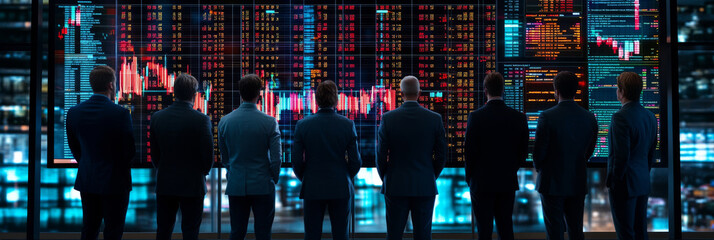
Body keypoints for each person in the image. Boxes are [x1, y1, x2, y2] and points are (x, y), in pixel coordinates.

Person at [66, 65, 136, 240]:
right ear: (111, 85)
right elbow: (129, 151)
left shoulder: (74, 113)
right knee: (113, 231)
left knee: (89, 229)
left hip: (88, 179)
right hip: (116, 182)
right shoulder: (121, 114)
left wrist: (88, 163)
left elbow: (74, 148)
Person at [377, 76, 447, 240]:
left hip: (395, 185)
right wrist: (429, 175)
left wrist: (387, 177)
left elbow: (380, 156)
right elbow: (441, 156)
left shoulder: (388, 119)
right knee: (423, 236)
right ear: (419, 93)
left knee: (394, 235)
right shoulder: (434, 119)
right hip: (424, 185)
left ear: (401, 93)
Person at [292, 80, 362, 240]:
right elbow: (355, 162)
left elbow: (296, 161)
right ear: (336, 100)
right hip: (340, 186)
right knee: (341, 235)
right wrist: (344, 175)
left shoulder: (302, 125)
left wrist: (307, 177)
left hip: (312, 186)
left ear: (316, 100)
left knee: (311, 235)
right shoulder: (347, 124)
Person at [533, 71, 598, 240]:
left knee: (554, 232)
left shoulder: (546, 116)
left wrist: (541, 168)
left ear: (556, 91)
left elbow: (539, 152)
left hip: (551, 183)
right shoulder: (589, 117)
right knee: (576, 230)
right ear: (576, 91)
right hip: (577, 180)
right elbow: (590, 149)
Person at [464, 72, 528, 240]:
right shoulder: (519, 118)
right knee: (506, 227)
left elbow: (469, 152)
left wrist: (470, 177)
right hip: (507, 181)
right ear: (503, 90)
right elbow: (523, 152)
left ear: (485, 91)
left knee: (483, 230)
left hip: (481, 182)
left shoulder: (475, 117)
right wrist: (511, 169)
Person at [150, 74, 214, 240]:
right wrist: (201, 172)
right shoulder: (202, 120)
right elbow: (208, 157)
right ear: (194, 95)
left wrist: (164, 169)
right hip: (192, 184)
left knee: (163, 231)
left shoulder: (157, 118)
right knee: (190, 232)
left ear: (174, 92)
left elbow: (155, 155)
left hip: (165, 183)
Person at [219, 74, 281, 240]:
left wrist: (233, 173)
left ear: (240, 93)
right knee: (263, 233)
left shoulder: (225, 122)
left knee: (237, 233)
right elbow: (276, 159)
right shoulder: (270, 122)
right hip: (263, 185)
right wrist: (273, 178)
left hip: (237, 184)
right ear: (259, 94)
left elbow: (225, 158)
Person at [608, 72, 657, 240]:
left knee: (625, 233)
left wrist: (614, 181)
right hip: (642, 180)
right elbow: (651, 151)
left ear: (621, 91)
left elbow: (620, 156)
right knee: (640, 231)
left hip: (624, 184)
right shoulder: (650, 116)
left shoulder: (620, 117)